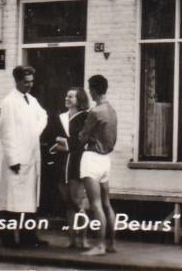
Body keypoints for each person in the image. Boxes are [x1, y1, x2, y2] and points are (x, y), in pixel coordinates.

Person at [0, 65, 49, 248]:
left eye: (32, 82)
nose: (30, 85)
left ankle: (28, 237)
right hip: (17, 158)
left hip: (30, 156)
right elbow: (6, 132)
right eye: (26, 82)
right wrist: (13, 159)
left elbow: (43, 116)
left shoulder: (32, 100)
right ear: (17, 81)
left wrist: (33, 132)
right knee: (11, 201)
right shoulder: (8, 102)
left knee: (28, 201)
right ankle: (7, 238)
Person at [79, 74, 118, 256]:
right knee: (106, 204)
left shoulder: (95, 112)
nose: (90, 93)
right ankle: (111, 244)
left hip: (92, 159)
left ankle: (100, 245)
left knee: (95, 205)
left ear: (94, 90)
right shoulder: (111, 110)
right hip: (105, 160)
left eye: (90, 90)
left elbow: (82, 137)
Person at [49, 87, 90, 249]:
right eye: (66, 96)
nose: (67, 98)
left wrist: (66, 144)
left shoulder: (85, 117)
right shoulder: (60, 117)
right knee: (68, 203)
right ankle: (72, 239)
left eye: (71, 96)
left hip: (76, 164)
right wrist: (56, 145)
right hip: (61, 164)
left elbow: (83, 139)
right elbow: (51, 136)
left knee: (78, 202)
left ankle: (83, 239)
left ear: (80, 100)